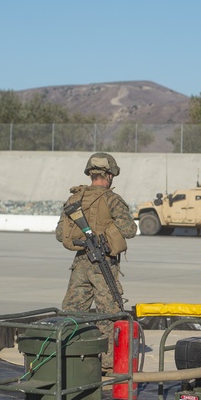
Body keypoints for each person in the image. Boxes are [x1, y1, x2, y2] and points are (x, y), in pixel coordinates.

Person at [55, 152, 138, 364]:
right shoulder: (112, 199)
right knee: (108, 315)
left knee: (72, 313)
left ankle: (69, 359)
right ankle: (108, 365)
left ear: (90, 174)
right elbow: (129, 230)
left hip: (80, 264)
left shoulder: (74, 199)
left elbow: (59, 234)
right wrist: (108, 229)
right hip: (103, 264)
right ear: (109, 175)